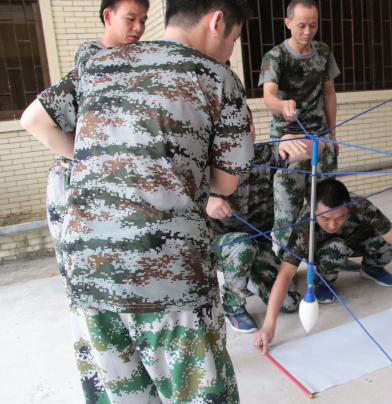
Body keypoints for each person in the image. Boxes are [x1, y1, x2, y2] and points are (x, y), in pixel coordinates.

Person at [20, 1, 254, 402]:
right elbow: (226, 183)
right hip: (169, 275)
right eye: (233, 39)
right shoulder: (217, 77)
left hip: (89, 273)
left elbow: (34, 119)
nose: (230, 50)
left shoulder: (99, 64)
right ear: (217, 21)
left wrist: (99, 158)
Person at [40, 1, 149, 402]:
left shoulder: (129, 59)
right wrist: (86, 159)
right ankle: (101, 386)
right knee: (88, 293)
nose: (137, 28)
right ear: (107, 16)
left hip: (105, 189)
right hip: (75, 188)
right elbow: (39, 120)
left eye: (142, 19)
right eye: (129, 19)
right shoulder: (93, 59)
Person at [253, 178, 392, 352]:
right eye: (325, 219)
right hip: (328, 251)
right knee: (336, 249)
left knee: (386, 244)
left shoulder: (360, 205)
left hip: (355, 242)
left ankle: (371, 268)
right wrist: (269, 326)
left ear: (348, 207)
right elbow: (285, 274)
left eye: (340, 217)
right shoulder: (304, 224)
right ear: (313, 210)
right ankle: (324, 282)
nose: (333, 225)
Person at [207, 138, 324, 333]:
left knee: (289, 303)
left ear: (252, 129)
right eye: (235, 130)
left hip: (259, 244)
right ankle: (232, 305)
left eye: (246, 126)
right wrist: (205, 200)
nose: (240, 133)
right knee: (242, 245)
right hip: (220, 247)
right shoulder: (205, 160)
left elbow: (319, 147)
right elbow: (172, 192)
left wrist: (294, 140)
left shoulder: (265, 152)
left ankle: (251, 277)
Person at [259, 0, 340, 255]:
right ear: (288, 23)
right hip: (288, 142)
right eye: (302, 25)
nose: (307, 32)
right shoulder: (275, 56)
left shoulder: (324, 51)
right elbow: (268, 98)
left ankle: (325, 262)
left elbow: (329, 93)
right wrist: (282, 105)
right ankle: (286, 266)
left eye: (313, 25)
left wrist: (332, 133)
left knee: (326, 208)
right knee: (287, 212)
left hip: (319, 139)